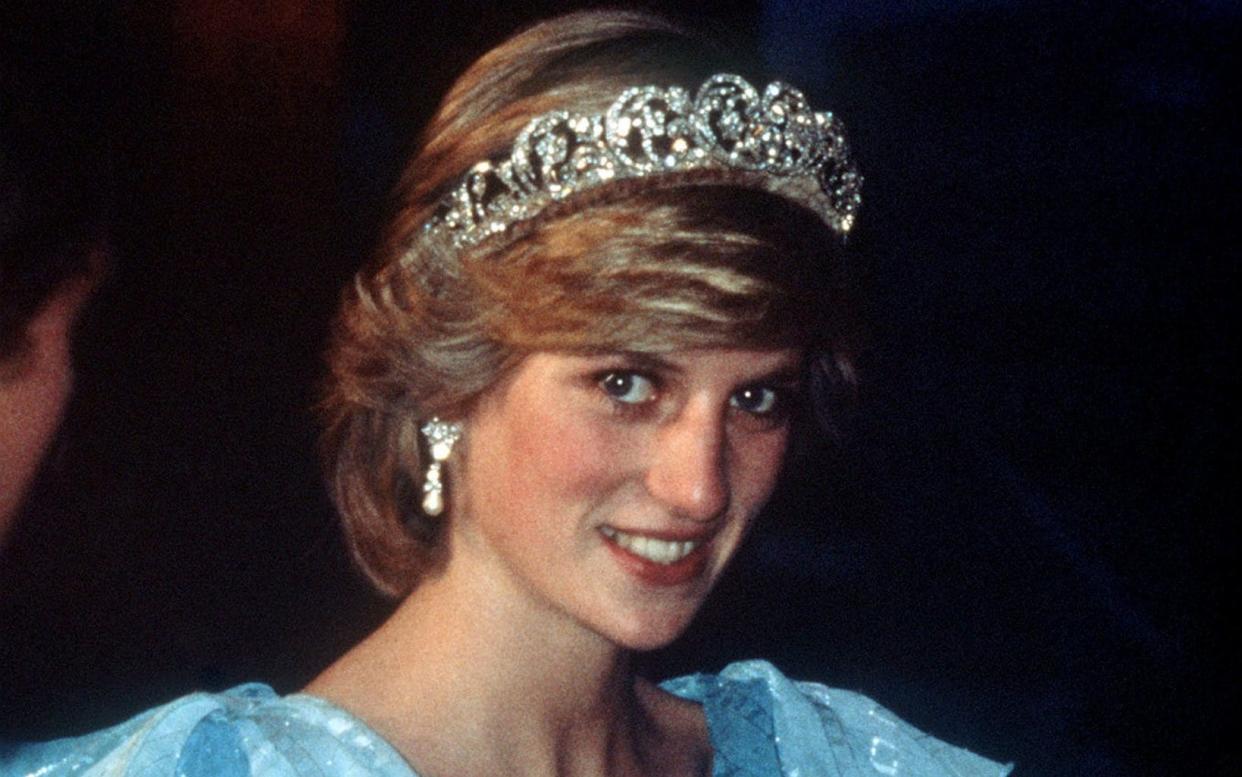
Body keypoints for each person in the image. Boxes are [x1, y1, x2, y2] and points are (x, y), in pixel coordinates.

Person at [3, 10, 1010, 776]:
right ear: (446, 379)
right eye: (627, 384)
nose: (700, 488)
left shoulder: (835, 755)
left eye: (756, 401)